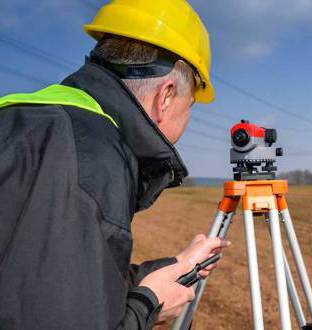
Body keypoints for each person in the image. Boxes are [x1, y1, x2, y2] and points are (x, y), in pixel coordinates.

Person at [0, 1, 228, 328]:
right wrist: (148, 305)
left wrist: (174, 266)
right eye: (191, 104)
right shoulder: (88, 158)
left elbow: (48, 279)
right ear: (166, 95)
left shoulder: (32, 121)